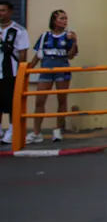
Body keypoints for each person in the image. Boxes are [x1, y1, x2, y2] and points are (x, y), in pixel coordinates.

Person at [27, 10, 78, 143]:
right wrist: (29, 69)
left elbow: (71, 56)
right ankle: (36, 132)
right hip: (46, 71)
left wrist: (74, 42)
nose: (65, 21)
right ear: (54, 21)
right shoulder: (45, 36)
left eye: (66, 18)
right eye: (62, 18)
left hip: (62, 71)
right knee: (40, 101)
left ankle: (57, 130)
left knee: (61, 100)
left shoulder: (68, 37)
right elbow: (38, 55)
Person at [0, 1, 30, 146]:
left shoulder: (19, 30)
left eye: (3, 10)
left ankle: (12, 130)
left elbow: (23, 53)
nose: (0, 13)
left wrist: (21, 73)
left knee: (12, 103)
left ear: (10, 12)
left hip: (10, 72)